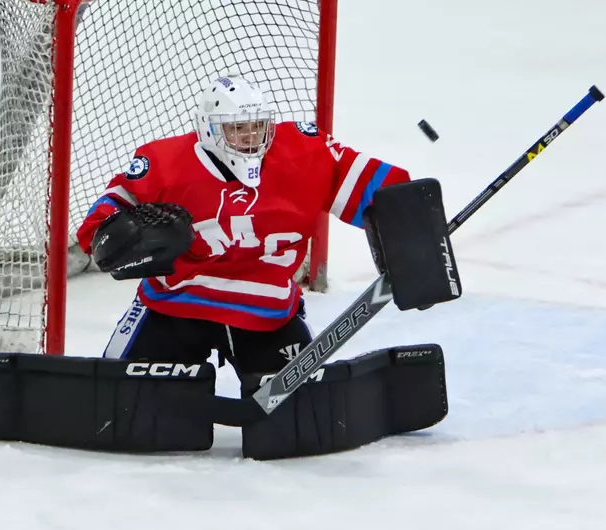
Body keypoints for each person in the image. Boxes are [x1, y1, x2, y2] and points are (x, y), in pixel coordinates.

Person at [76, 74, 411, 375]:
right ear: (209, 129)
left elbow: (384, 192)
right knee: (126, 405)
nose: (251, 137)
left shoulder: (305, 155)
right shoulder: (166, 165)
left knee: (296, 423)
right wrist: (123, 238)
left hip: (267, 313)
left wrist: (416, 233)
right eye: (237, 128)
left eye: (257, 126)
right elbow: (102, 220)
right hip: (175, 306)